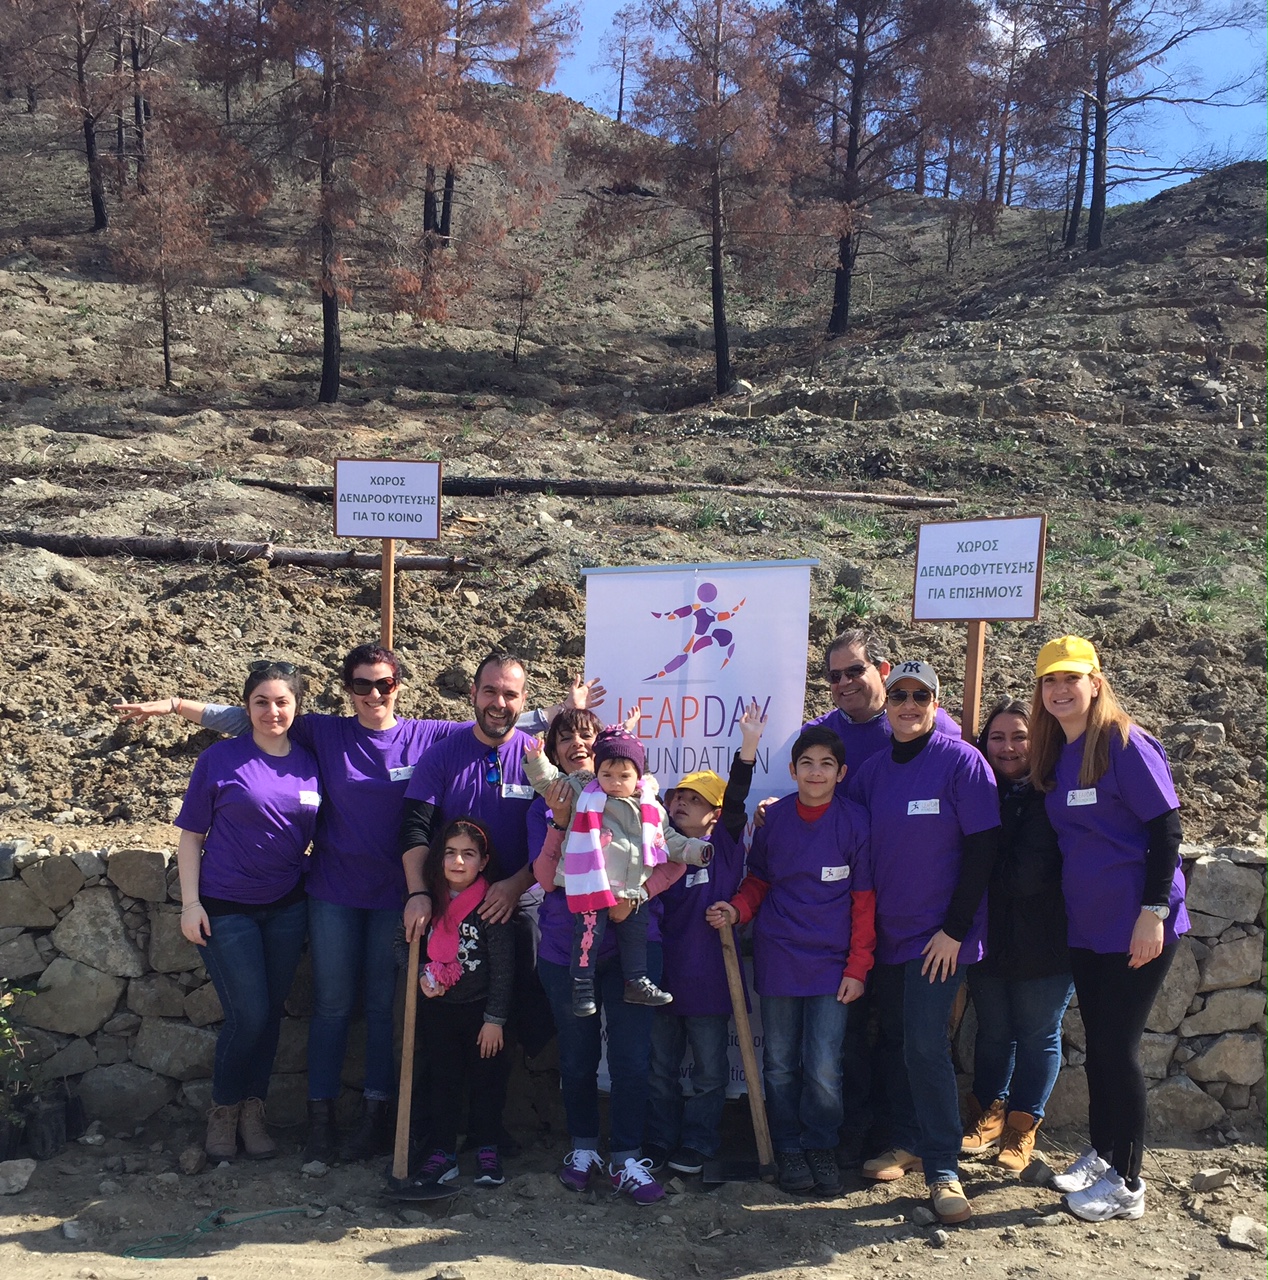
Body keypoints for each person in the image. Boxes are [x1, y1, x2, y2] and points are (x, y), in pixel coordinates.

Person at [118, 646, 595, 1162]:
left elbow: (497, 720)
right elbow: (258, 716)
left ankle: (427, 1124)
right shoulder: (325, 732)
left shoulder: (433, 736)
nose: (374, 694)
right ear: (348, 689)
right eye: (363, 685)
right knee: (334, 1009)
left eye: (385, 685)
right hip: (343, 895)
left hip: (438, 900)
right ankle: (327, 1121)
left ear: (399, 687)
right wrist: (175, 706)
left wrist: (558, 715)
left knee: (420, 1014)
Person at [1028, 636, 1189, 1223]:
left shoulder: (1124, 742)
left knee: (1118, 1050)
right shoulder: (1063, 753)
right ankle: (1101, 1152)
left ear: (1096, 682)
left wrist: (1155, 912)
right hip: (1090, 926)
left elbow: (1166, 829)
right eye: (1050, 680)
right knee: (1099, 1046)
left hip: (1137, 924)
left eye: (1073, 678)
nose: (1061, 689)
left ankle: (1128, 1183)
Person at [850, 660, 1000, 1225]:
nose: (908, 705)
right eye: (898, 697)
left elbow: (983, 851)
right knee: (894, 1041)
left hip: (938, 940)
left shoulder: (962, 762)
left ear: (936, 704)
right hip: (885, 936)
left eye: (920, 696)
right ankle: (909, 1140)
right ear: (886, 706)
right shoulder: (874, 770)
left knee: (923, 1047)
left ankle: (942, 1169)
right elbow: (842, 816)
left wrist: (955, 931)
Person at [706, 725, 873, 1198]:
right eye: (806, 763)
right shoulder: (774, 820)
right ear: (792, 770)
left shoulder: (856, 823)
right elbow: (758, 880)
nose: (815, 772)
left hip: (834, 966)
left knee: (823, 1065)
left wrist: (859, 966)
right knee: (779, 1064)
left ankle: (820, 1144)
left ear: (841, 773)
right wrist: (738, 909)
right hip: (780, 957)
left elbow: (864, 901)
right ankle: (788, 1149)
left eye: (825, 764)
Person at [528, 713, 687, 1205]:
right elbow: (545, 877)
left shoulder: (645, 805)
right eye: (567, 737)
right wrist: (559, 823)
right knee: (576, 1058)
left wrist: (634, 896)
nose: (577, 744)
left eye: (587, 736)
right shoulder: (549, 802)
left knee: (632, 1060)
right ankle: (582, 1149)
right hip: (566, 948)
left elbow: (670, 862)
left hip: (635, 948)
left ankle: (626, 1158)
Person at [173, 661, 320, 1163]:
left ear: (296, 707)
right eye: (261, 702)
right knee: (249, 1013)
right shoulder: (219, 759)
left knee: (270, 1016)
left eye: (282, 702)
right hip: (226, 907)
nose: (272, 711)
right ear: (247, 706)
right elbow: (191, 837)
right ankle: (224, 1111)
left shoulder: (309, 761)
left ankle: (253, 1112)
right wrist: (190, 904)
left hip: (286, 907)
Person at [644, 701, 765, 1176]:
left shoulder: (723, 849)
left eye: (692, 800)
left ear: (714, 816)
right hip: (659, 981)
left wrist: (749, 749)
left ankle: (697, 1145)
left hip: (712, 982)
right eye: (676, 798)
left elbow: (736, 800)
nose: (678, 805)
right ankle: (658, 1141)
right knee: (659, 1071)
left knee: (711, 1073)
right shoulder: (657, 851)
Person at [523, 720, 710, 1017]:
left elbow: (669, 841)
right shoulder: (582, 790)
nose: (614, 781)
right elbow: (549, 782)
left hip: (633, 891)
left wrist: (699, 850)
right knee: (587, 935)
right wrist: (535, 760)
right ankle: (582, 983)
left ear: (638, 776)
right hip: (591, 884)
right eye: (607, 774)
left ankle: (636, 980)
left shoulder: (649, 805)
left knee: (636, 936)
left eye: (623, 775)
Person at [961, 700, 1074, 1173]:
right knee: (993, 1032)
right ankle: (989, 1112)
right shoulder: (975, 791)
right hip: (989, 935)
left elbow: (1028, 873)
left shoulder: (1057, 790)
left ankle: (1022, 1126)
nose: (1008, 748)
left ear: (1039, 741)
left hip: (1047, 938)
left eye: (1019, 737)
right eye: (997, 738)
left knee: (1038, 1034)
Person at [407, 818, 515, 1189]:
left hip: (481, 1014)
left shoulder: (491, 906)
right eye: (450, 853)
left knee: (488, 1083)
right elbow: (399, 946)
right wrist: (423, 972)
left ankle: (487, 1147)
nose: (458, 862)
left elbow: (503, 967)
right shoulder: (426, 903)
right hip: (439, 1012)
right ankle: (442, 1152)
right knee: (442, 1082)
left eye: (468, 854)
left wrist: (495, 1019)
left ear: (483, 862)